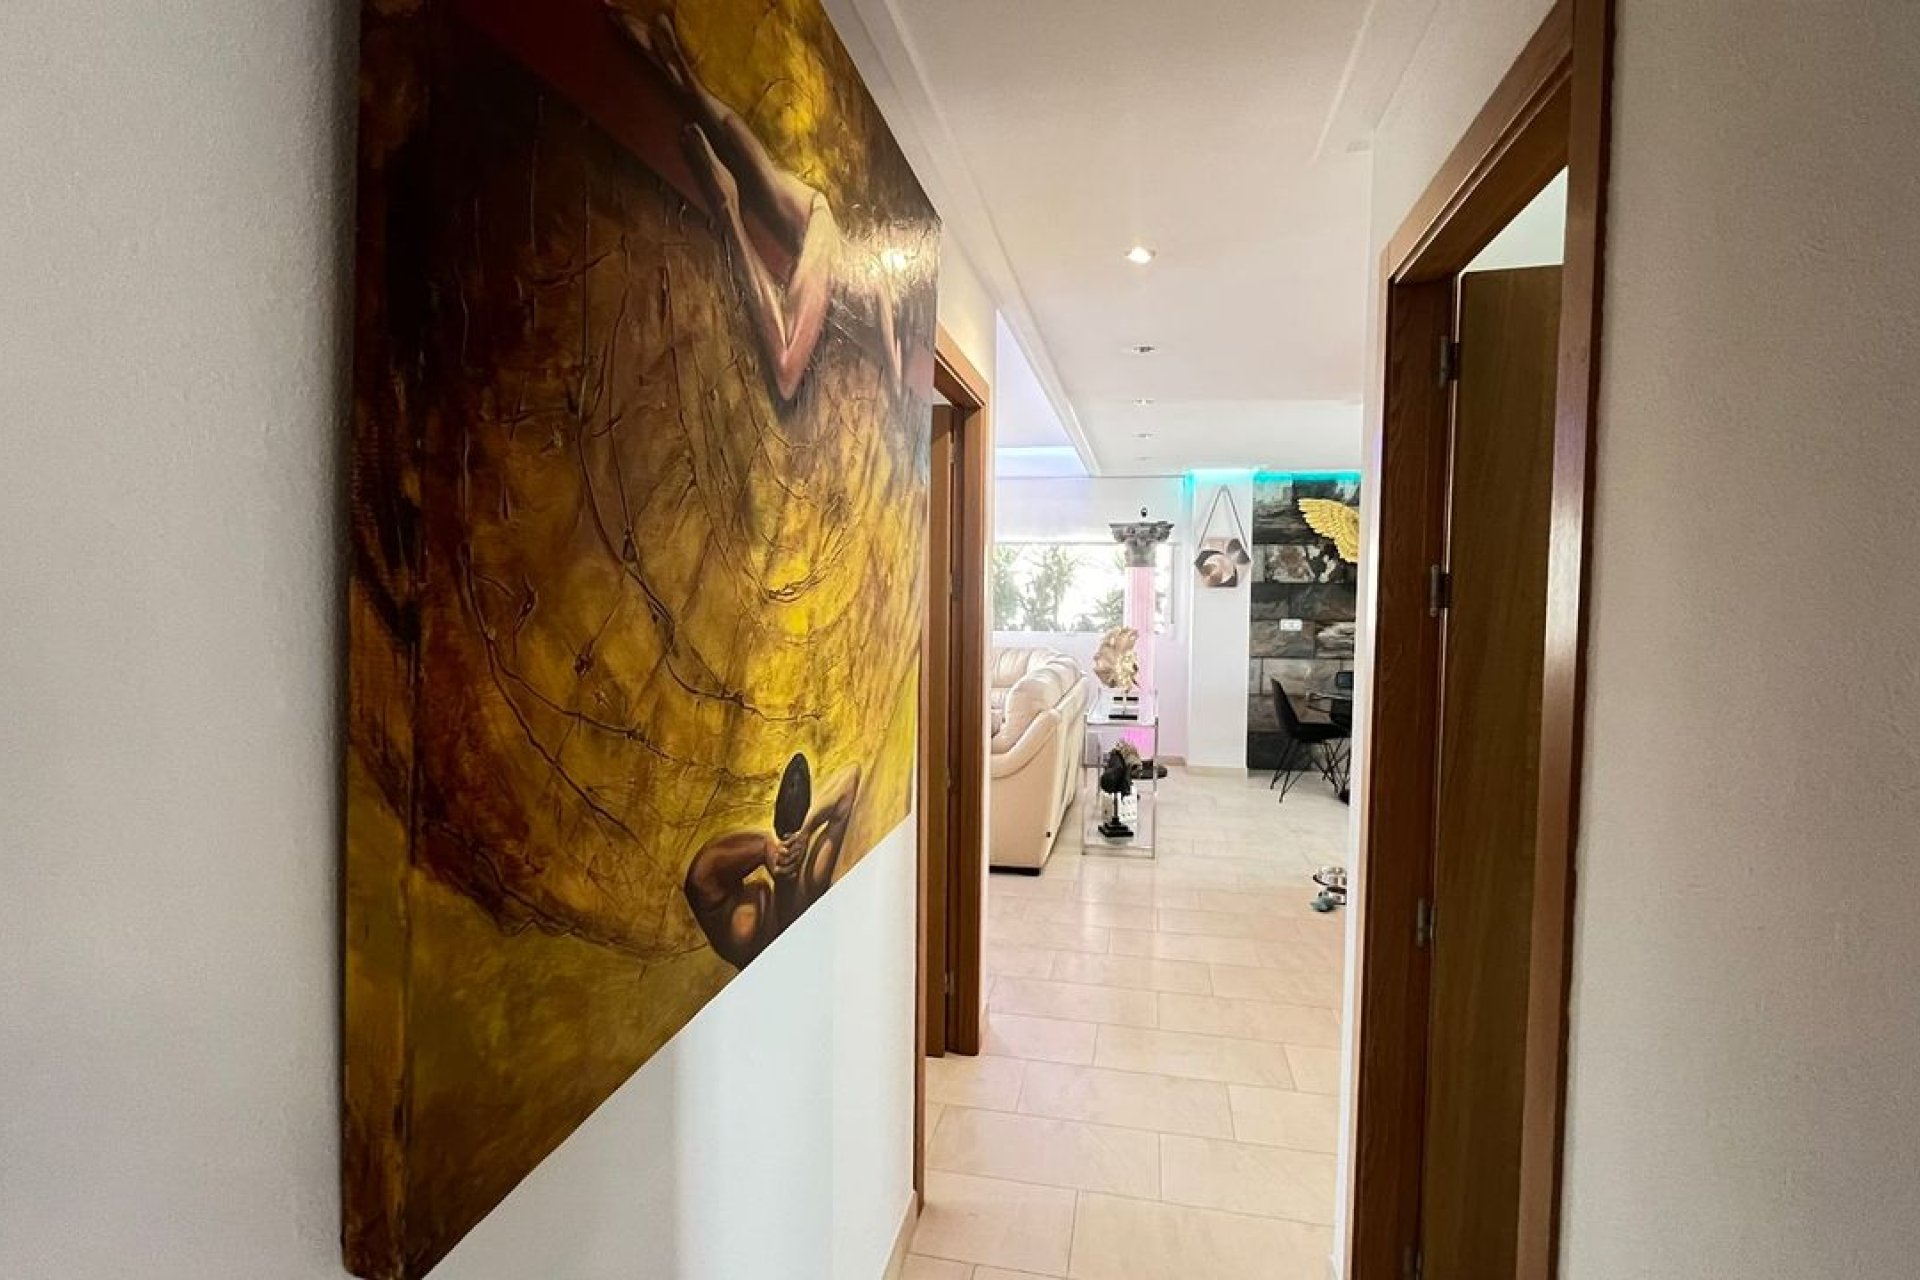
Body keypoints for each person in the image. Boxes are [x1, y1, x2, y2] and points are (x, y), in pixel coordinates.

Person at [608, 5, 910, 402]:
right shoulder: (882, 284)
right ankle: (729, 204)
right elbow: (893, 361)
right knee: (786, 368)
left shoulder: (871, 269)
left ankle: (680, 72)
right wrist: (900, 387)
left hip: (813, 209)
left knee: (747, 149)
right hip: (825, 246)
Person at [682, 758, 861, 968]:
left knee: (741, 924)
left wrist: (766, 845)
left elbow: (702, 876)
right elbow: (849, 779)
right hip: (778, 931)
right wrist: (805, 830)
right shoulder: (805, 890)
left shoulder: (795, 900)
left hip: (767, 943)